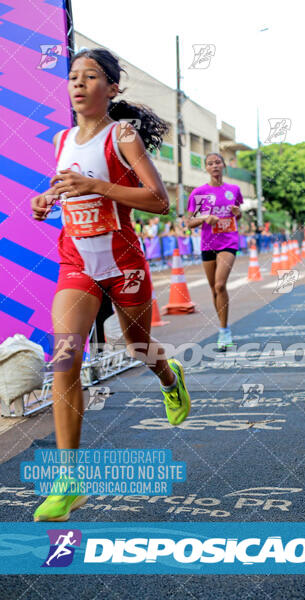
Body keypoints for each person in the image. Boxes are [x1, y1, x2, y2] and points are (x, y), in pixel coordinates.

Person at [30, 48, 191, 522]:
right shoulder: (61, 139)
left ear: (113, 88)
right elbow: (64, 188)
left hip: (123, 261)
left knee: (139, 347)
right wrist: (45, 200)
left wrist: (98, 188)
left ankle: (170, 376)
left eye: (91, 76)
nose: (78, 85)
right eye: (73, 77)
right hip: (75, 259)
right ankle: (69, 481)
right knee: (64, 358)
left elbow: (159, 201)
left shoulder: (122, 136)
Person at [186, 152, 243, 350]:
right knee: (213, 289)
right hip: (208, 243)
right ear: (206, 168)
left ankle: (224, 331)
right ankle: (223, 328)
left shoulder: (233, 190)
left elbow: (238, 213)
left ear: (223, 165)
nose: (214, 166)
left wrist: (238, 213)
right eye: (210, 163)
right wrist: (204, 218)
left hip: (228, 242)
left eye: (217, 162)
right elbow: (190, 223)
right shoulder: (201, 193)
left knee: (220, 285)